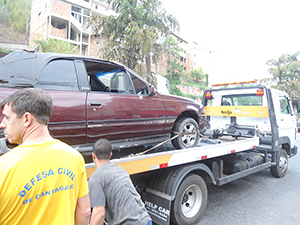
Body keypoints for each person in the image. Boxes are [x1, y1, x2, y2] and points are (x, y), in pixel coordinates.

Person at [0, 88, 90, 225]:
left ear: (26, 119)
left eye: (7, 117)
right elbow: (84, 212)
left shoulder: (4, 166)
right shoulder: (74, 157)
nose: (2, 124)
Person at [89, 138, 152, 225]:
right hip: (145, 220)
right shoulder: (121, 170)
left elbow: (99, 214)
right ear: (110, 155)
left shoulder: (96, 178)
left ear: (93, 156)